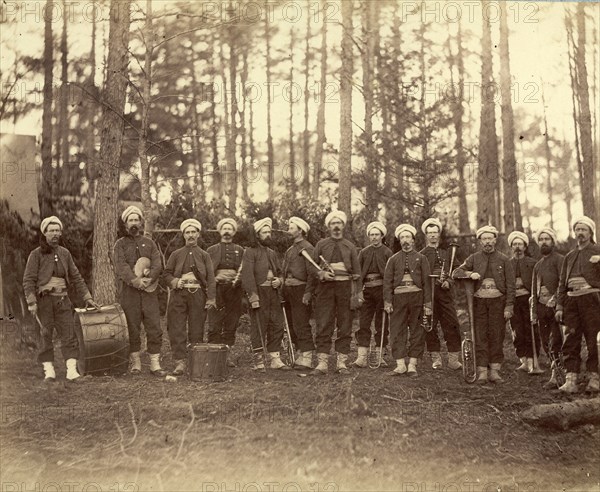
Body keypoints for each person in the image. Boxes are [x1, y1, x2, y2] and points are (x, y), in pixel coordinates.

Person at [23, 216, 99, 382]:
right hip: (44, 302)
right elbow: (28, 280)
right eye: (52, 231)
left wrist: (87, 297)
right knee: (45, 335)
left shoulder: (65, 253)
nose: (55, 234)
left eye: (58, 230)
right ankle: (49, 371)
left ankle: (71, 371)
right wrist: (31, 302)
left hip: (63, 301)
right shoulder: (35, 255)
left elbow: (76, 276)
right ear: (45, 233)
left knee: (69, 334)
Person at [453, 225, 515, 384]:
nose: (487, 241)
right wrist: (469, 273)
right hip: (479, 303)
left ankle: (494, 371)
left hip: (498, 302)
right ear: (480, 241)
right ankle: (481, 371)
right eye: (484, 239)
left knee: (496, 334)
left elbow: (511, 286)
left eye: (490, 238)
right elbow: (456, 273)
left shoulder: (504, 259)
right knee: (480, 335)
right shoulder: (474, 258)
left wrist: (509, 306)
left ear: (495, 240)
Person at [114, 206, 166, 376]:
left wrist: (150, 278)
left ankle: (154, 364)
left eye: (137, 220)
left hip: (150, 292)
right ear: (125, 223)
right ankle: (135, 363)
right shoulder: (120, 245)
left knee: (154, 326)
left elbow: (158, 263)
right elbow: (121, 267)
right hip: (130, 293)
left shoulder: (149, 243)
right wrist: (136, 281)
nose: (134, 223)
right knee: (132, 326)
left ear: (141, 222)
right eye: (131, 220)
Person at [310, 211, 362, 375]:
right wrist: (321, 274)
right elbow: (311, 266)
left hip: (345, 288)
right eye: (333, 223)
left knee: (345, 324)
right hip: (325, 289)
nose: (336, 226)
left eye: (339, 223)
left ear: (343, 226)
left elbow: (357, 272)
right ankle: (322, 363)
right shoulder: (321, 244)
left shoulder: (350, 246)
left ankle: (341, 363)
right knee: (324, 323)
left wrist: (358, 293)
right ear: (329, 226)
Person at [163, 219, 217, 375]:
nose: (191, 235)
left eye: (193, 232)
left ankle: (196, 360)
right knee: (177, 327)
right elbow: (166, 274)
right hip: (178, 295)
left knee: (197, 328)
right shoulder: (176, 254)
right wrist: (175, 281)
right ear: (183, 235)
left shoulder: (205, 255)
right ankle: (180, 362)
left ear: (198, 234)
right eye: (188, 232)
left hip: (198, 295)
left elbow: (211, 279)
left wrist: (211, 298)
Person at [555, 216, 600, 393]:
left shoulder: (597, 251)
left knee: (592, 339)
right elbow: (561, 283)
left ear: (590, 233)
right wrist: (559, 306)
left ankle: (594, 378)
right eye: (578, 229)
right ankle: (571, 379)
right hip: (571, 302)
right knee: (571, 338)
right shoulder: (569, 256)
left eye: (584, 229)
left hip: (591, 301)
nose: (580, 233)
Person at [241, 217, 291, 371]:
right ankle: (258, 361)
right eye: (264, 232)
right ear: (257, 234)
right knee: (259, 326)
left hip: (273, 293)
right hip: (260, 293)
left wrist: (279, 281)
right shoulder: (249, 252)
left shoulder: (272, 252)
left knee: (276, 324)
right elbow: (247, 275)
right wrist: (253, 297)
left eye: (269, 232)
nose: (268, 235)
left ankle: (275, 359)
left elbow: (280, 272)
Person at [383, 224, 432, 377]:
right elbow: (387, 282)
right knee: (397, 330)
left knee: (418, 330)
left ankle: (412, 365)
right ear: (399, 240)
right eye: (402, 237)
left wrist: (428, 304)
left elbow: (426, 283)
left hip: (417, 297)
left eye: (408, 237)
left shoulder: (421, 258)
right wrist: (388, 301)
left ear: (413, 240)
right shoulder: (392, 259)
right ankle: (400, 365)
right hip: (398, 299)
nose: (405, 240)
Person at [419, 218, 462, 370]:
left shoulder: (447, 253)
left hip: (445, 294)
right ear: (426, 235)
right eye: (429, 233)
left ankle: (453, 359)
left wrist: (448, 281)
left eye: (435, 232)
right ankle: (436, 358)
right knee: (430, 325)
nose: (432, 236)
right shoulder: (421, 255)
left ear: (439, 234)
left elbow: (457, 270)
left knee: (452, 324)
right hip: (429, 294)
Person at [353, 221, 392, 368]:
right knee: (364, 323)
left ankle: (379, 355)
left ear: (382, 236)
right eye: (372, 235)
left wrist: (388, 296)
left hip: (382, 291)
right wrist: (359, 292)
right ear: (369, 236)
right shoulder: (363, 252)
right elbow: (357, 275)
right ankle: (361, 357)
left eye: (377, 234)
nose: (374, 237)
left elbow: (391, 275)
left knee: (381, 324)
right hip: (367, 292)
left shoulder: (388, 253)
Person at [207, 218, 245, 366]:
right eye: (224, 229)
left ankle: (226, 356)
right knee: (215, 322)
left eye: (230, 229)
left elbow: (244, 269)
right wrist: (214, 279)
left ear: (234, 232)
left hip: (234, 289)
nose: (227, 232)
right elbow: (207, 271)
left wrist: (237, 279)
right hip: (217, 289)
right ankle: (213, 356)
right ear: (220, 231)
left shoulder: (240, 250)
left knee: (231, 322)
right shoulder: (212, 250)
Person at [530, 228, 565, 389]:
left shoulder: (560, 260)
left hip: (555, 307)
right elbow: (533, 290)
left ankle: (558, 375)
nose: (544, 242)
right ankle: (555, 371)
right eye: (541, 239)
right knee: (545, 342)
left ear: (553, 241)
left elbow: (563, 283)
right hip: (541, 307)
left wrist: (556, 300)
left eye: (547, 239)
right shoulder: (538, 265)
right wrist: (534, 312)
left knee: (556, 340)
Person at [282, 216, 316, 370]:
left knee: (301, 322)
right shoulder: (290, 250)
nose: (289, 230)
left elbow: (312, 274)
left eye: (291, 228)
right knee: (292, 323)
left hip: (301, 290)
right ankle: (300, 353)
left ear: (300, 231)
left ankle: (307, 357)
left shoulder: (307, 248)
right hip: (288, 290)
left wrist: (308, 293)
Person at [507, 231, 538, 373]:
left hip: (529, 299)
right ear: (511, 247)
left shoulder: (532, 263)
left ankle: (533, 360)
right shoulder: (507, 264)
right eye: (515, 244)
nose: (517, 247)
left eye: (520, 244)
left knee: (530, 328)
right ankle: (523, 360)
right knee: (517, 329)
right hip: (514, 300)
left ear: (525, 247)